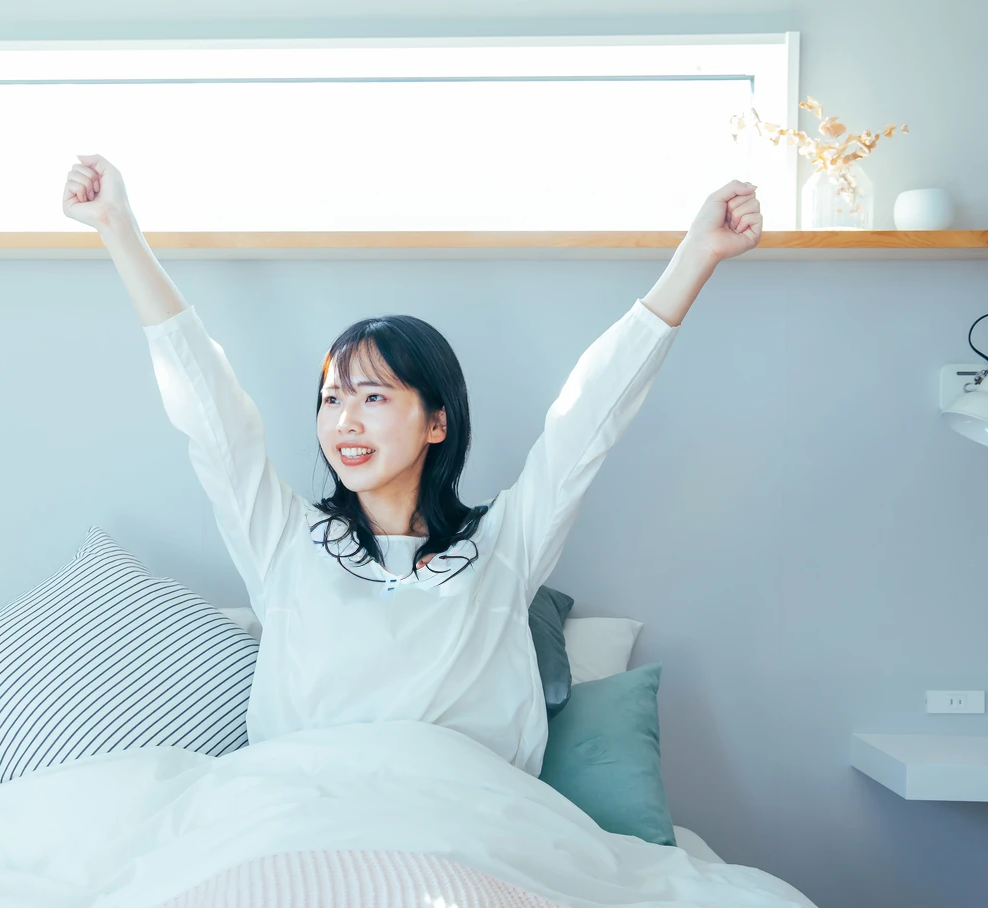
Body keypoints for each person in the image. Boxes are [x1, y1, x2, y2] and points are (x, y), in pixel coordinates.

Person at [60, 155, 761, 777]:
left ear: (437, 421)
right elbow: (212, 415)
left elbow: (590, 418)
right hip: (299, 823)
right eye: (331, 399)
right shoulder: (285, 543)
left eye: (373, 396)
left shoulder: (503, 547)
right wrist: (118, 230)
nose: (345, 421)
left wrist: (696, 255)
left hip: (469, 826)